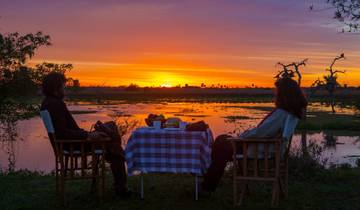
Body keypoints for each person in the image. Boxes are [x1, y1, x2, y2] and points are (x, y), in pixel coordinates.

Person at [201, 77, 308, 192]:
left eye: (277, 91)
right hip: (268, 147)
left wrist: (240, 137)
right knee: (222, 145)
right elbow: (264, 132)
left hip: (260, 148)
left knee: (221, 142)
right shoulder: (291, 113)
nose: (275, 94)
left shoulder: (281, 114)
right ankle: (208, 181)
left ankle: (207, 182)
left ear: (284, 94)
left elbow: (261, 133)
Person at [40, 72, 131, 197]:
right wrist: (87, 136)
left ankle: (117, 160)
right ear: (56, 88)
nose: (65, 88)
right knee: (112, 143)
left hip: (75, 141)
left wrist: (87, 134)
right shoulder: (55, 104)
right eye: (63, 86)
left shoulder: (48, 102)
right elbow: (62, 133)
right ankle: (121, 185)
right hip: (73, 145)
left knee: (110, 126)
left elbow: (64, 131)